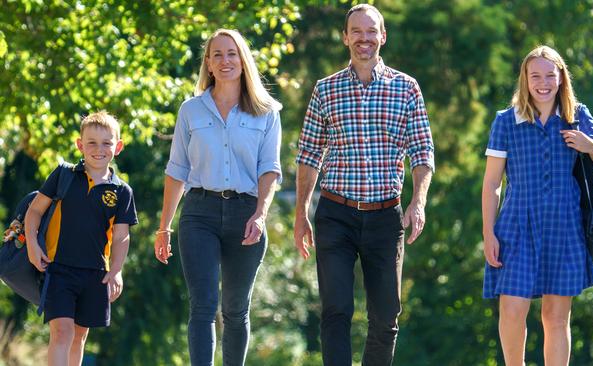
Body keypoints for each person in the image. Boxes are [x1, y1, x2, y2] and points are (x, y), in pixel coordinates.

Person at [293, 4, 434, 365]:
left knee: (386, 317)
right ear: (345, 37)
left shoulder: (406, 88)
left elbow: (422, 153)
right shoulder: (326, 90)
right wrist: (301, 215)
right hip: (335, 214)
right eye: (356, 31)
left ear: (383, 36)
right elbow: (309, 155)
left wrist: (417, 203)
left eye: (371, 31)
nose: (364, 39)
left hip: (386, 216)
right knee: (336, 310)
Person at [154, 28, 282, 366]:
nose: (225, 61)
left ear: (243, 60)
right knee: (203, 306)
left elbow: (269, 169)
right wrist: (164, 227)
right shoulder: (190, 111)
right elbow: (176, 169)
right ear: (208, 64)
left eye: (232, 54)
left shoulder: (267, 112)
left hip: (246, 215)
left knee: (236, 310)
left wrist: (260, 214)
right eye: (217, 55)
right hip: (199, 213)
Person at [482, 45, 593, 366]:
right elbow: (491, 183)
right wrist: (489, 232)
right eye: (535, 75)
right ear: (524, 79)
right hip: (515, 226)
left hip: (563, 225)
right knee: (512, 311)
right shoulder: (505, 121)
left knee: (555, 317)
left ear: (560, 77)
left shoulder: (577, 115)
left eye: (549, 75)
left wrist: (589, 144)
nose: (543, 82)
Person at [24, 111, 138, 366]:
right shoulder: (64, 175)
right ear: (80, 145)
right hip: (59, 268)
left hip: (95, 273)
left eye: (107, 143)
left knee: (78, 336)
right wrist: (32, 243)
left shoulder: (122, 191)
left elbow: (121, 237)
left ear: (117, 147)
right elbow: (34, 211)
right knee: (61, 331)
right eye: (92, 143)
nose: (99, 149)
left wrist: (117, 271)